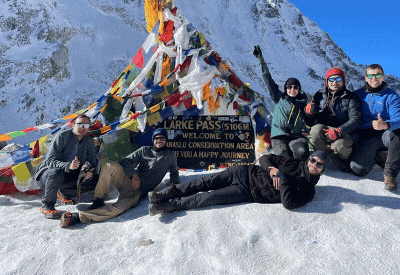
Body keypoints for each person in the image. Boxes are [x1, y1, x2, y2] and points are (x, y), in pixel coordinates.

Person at [60, 128, 180, 227]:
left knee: (118, 209)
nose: (159, 141)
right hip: (127, 181)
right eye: (157, 138)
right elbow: (125, 161)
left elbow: (174, 172)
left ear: (166, 140)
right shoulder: (144, 150)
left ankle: (79, 216)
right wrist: (134, 175)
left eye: (162, 138)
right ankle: (98, 199)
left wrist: (174, 183)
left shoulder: (170, 156)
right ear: (153, 140)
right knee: (109, 165)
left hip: (137, 192)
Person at [148, 151, 328, 215]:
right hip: (243, 171)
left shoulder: (308, 190)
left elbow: (289, 203)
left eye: (319, 164)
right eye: (313, 160)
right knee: (205, 181)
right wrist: (272, 168)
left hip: (247, 192)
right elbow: (266, 157)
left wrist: (284, 178)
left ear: (322, 169)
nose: (314, 165)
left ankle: (167, 206)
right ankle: (165, 194)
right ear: (309, 159)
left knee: (206, 199)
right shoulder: (292, 163)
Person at [35, 114, 97, 219]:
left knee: (94, 178)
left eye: (86, 125)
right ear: (73, 125)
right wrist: (67, 165)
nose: (82, 127)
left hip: (70, 174)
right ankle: (47, 204)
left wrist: (88, 171)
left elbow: (92, 162)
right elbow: (50, 161)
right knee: (56, 173)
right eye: (80, 124)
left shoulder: (89, 141)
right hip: (47, 174)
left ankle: (63, 192)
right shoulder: (62, 136)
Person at [253, 45, 310, 161]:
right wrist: (260, 59)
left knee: (302, 153)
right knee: (284, 159)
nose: (292, 90)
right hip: (279, 137)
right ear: (285, 88)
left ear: (299, 89)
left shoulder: (303, 103)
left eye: (295, 87)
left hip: (296, 137)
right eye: (289, 87)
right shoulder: (278, 98)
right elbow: (267, 79)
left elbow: (309, 119)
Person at [349, 64, 400, 191]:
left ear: (383, 77)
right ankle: (379, 157)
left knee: (398, 131)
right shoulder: (358, 95)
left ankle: (390, 174)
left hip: (384, 134)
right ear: (366, 78)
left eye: (378, 75)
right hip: (365, 135)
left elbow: (398, 119)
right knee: (357, 169)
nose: (374, 79)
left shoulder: (391, 96)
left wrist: (386, 125)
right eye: (371, 75)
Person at [305, 68, 363, 162]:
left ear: (343, 81)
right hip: (325, 128)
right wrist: (309, 113)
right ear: (327, 81)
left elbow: (356, 120)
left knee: (339, 146)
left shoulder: (351, 98)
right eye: (331, 79)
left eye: (338, 79)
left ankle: (341, 161)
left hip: (344, 131)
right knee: (315, 131)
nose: (335, 82)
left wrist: (338, 131)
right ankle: (322, 156)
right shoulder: (320, 95)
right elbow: (311, 121)